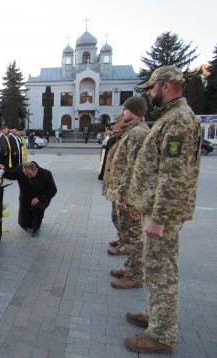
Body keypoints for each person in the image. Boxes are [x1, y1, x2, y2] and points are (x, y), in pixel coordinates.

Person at [124, 66, 201, 354]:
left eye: (151, 87)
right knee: (157, 268)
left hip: (163, 216)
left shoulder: (178, 121)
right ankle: (155, 315)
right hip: (158, 211)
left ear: (166, 86)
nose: (148, 93)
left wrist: (159, 218)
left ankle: (161, 334)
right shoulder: (171, 118)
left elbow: (173, 175)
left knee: (161, 271)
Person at [109, 96, 149, 289]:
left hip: (131, 196)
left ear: (132, 111)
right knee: (130, 234)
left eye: (124, 109)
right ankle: (130, 268)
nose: (122, 113)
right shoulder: (132, 131)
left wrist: (123, 195)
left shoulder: (138, 134)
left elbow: (133, 167)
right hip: (127, 193)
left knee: (134, 237)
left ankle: (135, 275)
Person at [0, 161, 57, 237]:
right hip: (26, 197)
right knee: (25, 220)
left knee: (37, 209)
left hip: (43, 198)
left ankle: (36, 228)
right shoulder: (20, 170)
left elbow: (53, 190)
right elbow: (11, 175)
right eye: (26, 175)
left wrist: (39, 198)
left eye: (30, 175)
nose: (28, 177)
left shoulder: (47, 174)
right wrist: (3, 170)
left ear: (35, 170)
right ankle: (30, 223)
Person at [101, 115, 125, 254]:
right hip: (116, 188)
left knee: (123, 220)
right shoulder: (118, 139)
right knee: (117, 217)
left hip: (122, 190)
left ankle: (125, 244)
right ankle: (122, 239)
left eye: (115, 124)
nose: (112, 127)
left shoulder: (130, 137)